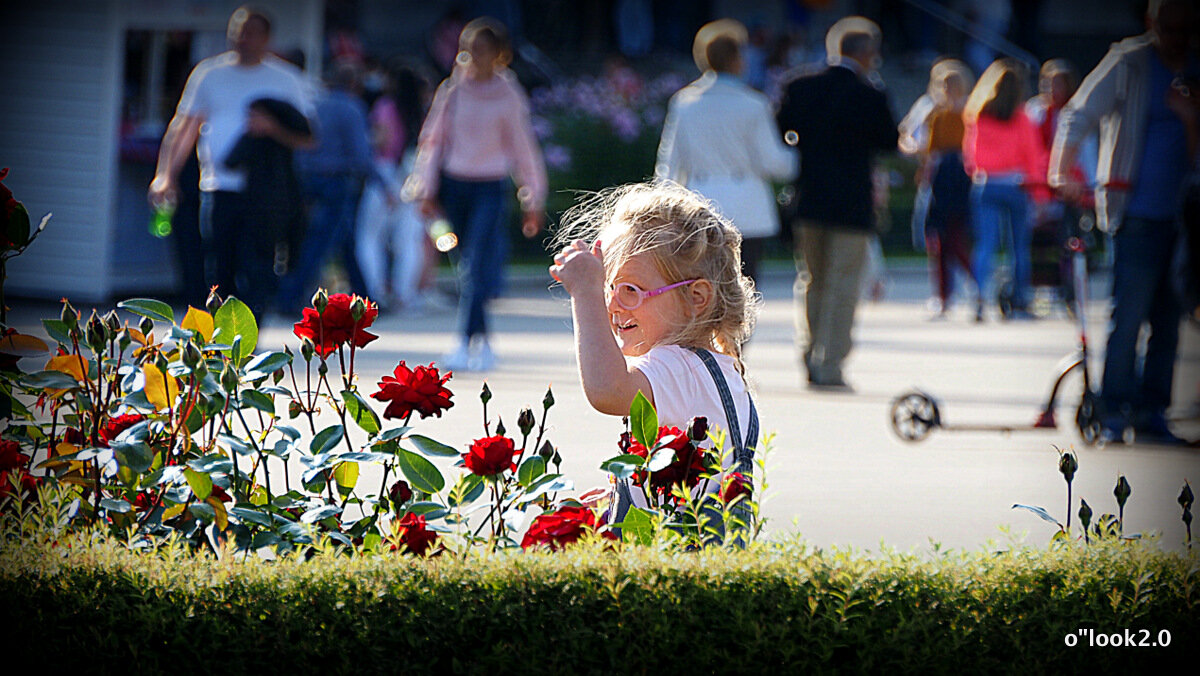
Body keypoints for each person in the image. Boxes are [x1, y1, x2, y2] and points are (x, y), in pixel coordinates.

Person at [549, 181, 759, 537]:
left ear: (696, 298)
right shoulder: (716, 368)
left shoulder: (676, 366)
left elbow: (607, 390)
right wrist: (624, 497)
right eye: (607, 289)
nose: (613, 305)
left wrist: (585, 293)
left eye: (630, 290)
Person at [1049, 0, 1199, 445]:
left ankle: (1153, 411)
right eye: (1169, 28)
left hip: (1188, 215)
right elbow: (1078, 114)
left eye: (1186, 29)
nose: (1177, 38)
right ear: (1152, 24)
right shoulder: (1130, 61)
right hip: (1135, 212)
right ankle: (1115, 407)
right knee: (1129, 313)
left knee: (1170, 320)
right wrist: (1062, 171)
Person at [149, 6, 313, 316]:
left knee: (256, 270)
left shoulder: (286, 79)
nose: (242, 39)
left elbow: (308, 138)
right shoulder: (209, 74)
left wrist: (272, 128)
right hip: (217, 186)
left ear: (266, 38)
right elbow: (183, 128)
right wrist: (165, 175)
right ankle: (220, 347)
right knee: (217, 270)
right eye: (236, 32)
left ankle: (249, 345)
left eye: (250, 33)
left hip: (265, 192)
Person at [407, 17, 547, 372]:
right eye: (468, 48)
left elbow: (523, 147)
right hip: (453, 188)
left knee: (478, 260)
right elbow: (433, 141)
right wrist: (425, 188)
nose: (474, 56)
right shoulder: (452, 90)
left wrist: (532, 196)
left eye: (482, 49)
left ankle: (465, 339)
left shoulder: (509, 92)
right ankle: (480, 339)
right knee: (459, 258)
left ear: (499, 53)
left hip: (489, 187)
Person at [776, 16, 899, 389]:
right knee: (844, 285)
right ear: (868, 53)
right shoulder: (870, 94)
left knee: (812, 280)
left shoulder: (799, 86)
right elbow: (890, 142)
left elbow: (781, 131)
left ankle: (809, 352)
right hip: (852, 205)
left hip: (809, 199)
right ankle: (830, 363)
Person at [655, 18, 797, 287]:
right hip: (748, 205)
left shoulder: (685, 103)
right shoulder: (754, 104)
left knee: (705, 286)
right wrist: (798, 157)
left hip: (701, 203)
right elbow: (774, 162)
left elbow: (669, 164)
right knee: (745, 286)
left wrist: (663, 211)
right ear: (736, 58)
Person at [276, 60, 384, 314]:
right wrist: (382, 182)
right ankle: (289, 298)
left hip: (309, 180)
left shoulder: (315, 105)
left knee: (342, 241)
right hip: (337, 182)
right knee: (319, 244)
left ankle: (365, 297)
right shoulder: (351, 107)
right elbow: (361, 154)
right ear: (354, 84)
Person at [963, 58, 1047, 322]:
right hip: (1017, 183)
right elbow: (1034, 157)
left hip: (986, 183)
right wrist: (1041, 195)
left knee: (985, 245)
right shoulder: (1023, 117)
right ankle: (1019, 301)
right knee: (1018, 247)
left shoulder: (978, 114)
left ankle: (978, 299)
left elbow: (971, 156)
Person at [355, 61, 430, 311]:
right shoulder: (421, 110)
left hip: (385, 173)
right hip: (413, 175)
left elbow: (382, 140)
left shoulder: (385, 106)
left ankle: (374, 293)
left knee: (369, 238)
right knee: (409, 241)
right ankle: (404, 294)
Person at [922, 60, 976, 318]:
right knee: (938, 240)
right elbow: (931, 150)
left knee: (958, 239)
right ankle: (943, 295)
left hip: (962, 178)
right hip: (942, 179)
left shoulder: (970, 113)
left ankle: (977, 287)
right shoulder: (937, 114)